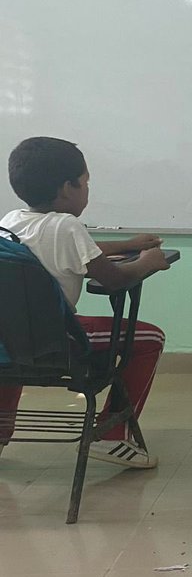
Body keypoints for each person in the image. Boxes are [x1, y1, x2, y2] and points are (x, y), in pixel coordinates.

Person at [0, 137, 171, 467]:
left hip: (11, 339)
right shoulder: (67, 227)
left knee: (11, 352)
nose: (87, 190)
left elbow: (70, 248)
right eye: (86, 183)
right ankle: (111, 436)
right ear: (68, 188)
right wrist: (148, 260)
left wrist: (127, 243)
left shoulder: (10, 222)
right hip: (57, 340)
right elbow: (113, 278)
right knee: (149, 338)